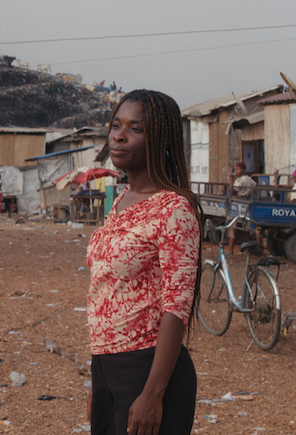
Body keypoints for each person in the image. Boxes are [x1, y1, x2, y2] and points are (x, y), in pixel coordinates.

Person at [86, 89, 199, 435]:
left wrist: (152, 393)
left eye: (135, 128)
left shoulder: (174, 209)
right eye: (116, 125)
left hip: (147, 367)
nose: (119, 135)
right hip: (107, 365)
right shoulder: (120, 200)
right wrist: (99, 382)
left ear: (161, 140)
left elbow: (176, 306)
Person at [226, 161, 256, 254]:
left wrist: (230, 179)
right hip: (245, 203)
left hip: (238, 205)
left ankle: (230, 250)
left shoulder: (241, 180)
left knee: (232, 226)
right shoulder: (250, 179)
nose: (236, 171)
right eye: (235, 169)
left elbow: (233, 191)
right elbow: (254, 189)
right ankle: (247, 250)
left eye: (238, 169)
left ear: (243, 170)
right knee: (245, 228)